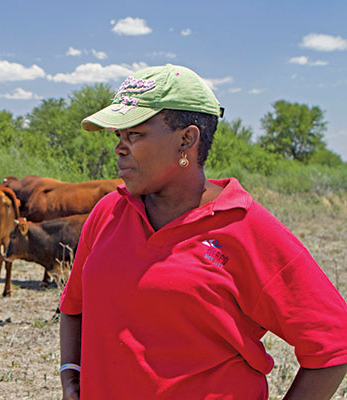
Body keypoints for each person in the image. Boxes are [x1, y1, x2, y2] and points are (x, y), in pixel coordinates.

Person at [58, 64, 347, 399]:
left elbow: (334, 340)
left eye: (134, 135)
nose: (119, 148)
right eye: (118, 137)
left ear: (187, 139)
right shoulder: (109, 213)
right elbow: (74, 305)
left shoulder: (243, 226)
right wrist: (71, 374)